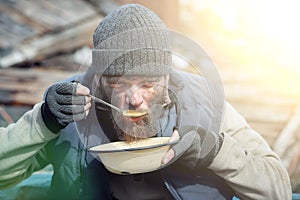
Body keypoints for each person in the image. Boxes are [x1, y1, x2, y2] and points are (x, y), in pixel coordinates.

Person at [0, 4, 292, 200]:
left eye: (148, 84)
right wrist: (43, 122)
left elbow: (278, 190)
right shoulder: (71, 107)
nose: (134, 99)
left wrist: (216, 150)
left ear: (167, 78)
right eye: (118, 83)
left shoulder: (204, 103)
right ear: (100, 78)